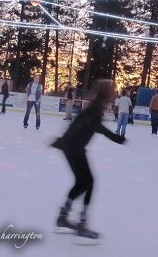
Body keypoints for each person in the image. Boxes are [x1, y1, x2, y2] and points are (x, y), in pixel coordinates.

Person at [51, 79, 126, 240]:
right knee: (89, 182)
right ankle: (81, 224)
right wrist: (65, 141)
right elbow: (80, 125)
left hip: (72, 147)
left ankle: (63, 217)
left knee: (81, 182)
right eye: (112, 90)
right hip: (74, 148)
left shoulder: (96, 106)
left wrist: (115, 138)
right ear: (107, 93)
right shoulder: (96, 107)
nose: (114, 92)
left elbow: (94, 126)